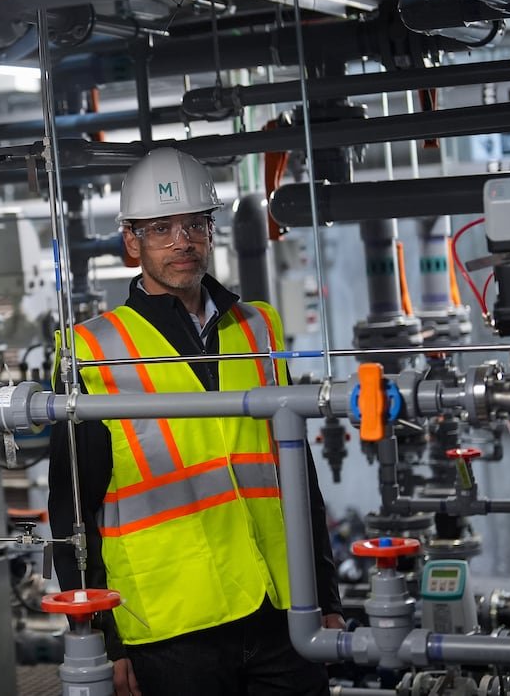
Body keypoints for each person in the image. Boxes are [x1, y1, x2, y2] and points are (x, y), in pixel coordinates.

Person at [48, 148, 343, 696]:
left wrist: (326, 598)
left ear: (211, 232)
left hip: (280, 606)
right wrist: (101, 638)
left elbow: (297, 475)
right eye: (161, 228)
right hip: (171, 625)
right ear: (131, 242)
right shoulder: (90, 349)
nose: (181, 241)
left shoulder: (258, 326)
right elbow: (72, 510)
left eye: (194, 224)